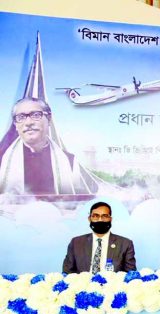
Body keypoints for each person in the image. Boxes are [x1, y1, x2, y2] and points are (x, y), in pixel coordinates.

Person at [0, 33, 98, 196]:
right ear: (16, 125)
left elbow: (73, 202)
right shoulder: (2, 158)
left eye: (36, 115)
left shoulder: (69, 161)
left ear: (49, 119)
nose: (28, 122)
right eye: (21, 117)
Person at [63, 201, 136, 273]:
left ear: (110, 219)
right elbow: (67, 272)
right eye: (95, 216)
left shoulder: (125, 244)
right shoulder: (76, 243)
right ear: (89, 219)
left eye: (104, 216)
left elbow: (130, 275)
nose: (100, 220)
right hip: (82, 284)